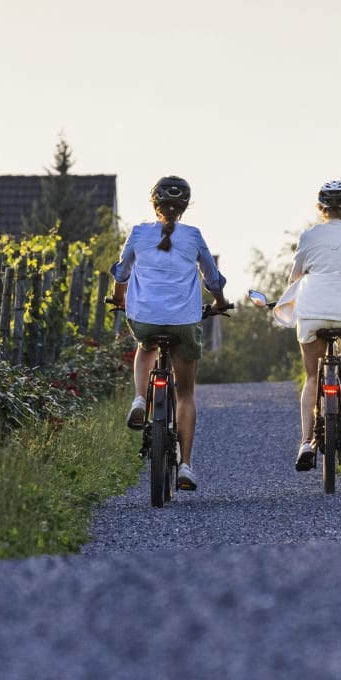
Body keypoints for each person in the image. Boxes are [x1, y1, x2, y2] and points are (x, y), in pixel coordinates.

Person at [109, 175, 228, 491]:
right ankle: (186, 464)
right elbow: (211, 278)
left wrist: (119, 298)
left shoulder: (138, 233)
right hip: (184, 321)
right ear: (185, 206)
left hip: (145, 318)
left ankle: (139, 398)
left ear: (154, 204)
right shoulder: (193, 236)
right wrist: (220, 302)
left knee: (145, 345)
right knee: (186, 392)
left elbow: (122, 272)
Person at [270, 180, 341, 472]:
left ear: (320, 208)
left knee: (312, 376)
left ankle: (307, 441)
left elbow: (295, 276)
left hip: (313, 310)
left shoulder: (308, 236)